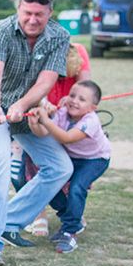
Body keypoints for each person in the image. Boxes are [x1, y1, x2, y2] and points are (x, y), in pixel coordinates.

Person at [0, 0, 71, 266]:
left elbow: (46, 81)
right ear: (19, 9)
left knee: (60, 166)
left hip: (25, 106)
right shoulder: (0, 31)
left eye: (40, 14)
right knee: (0, 161)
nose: (33, 19)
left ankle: (9, 221)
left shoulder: (60, 36)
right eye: (27, 13)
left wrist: (22, 105)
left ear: (50, 12)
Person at [29, 80, 111, 253]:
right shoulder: (63, 113)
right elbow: (44, 133)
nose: (74, 100)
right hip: (73, 157)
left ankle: (70, 231)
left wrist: (46, 120)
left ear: (92, 107)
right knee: (51, 185)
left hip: (95, 159)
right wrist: (36, 123)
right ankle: (72, 219)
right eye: (72, 95)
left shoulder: (91, 121)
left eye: (82, 99)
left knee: (76, 188)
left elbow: (66, 138)